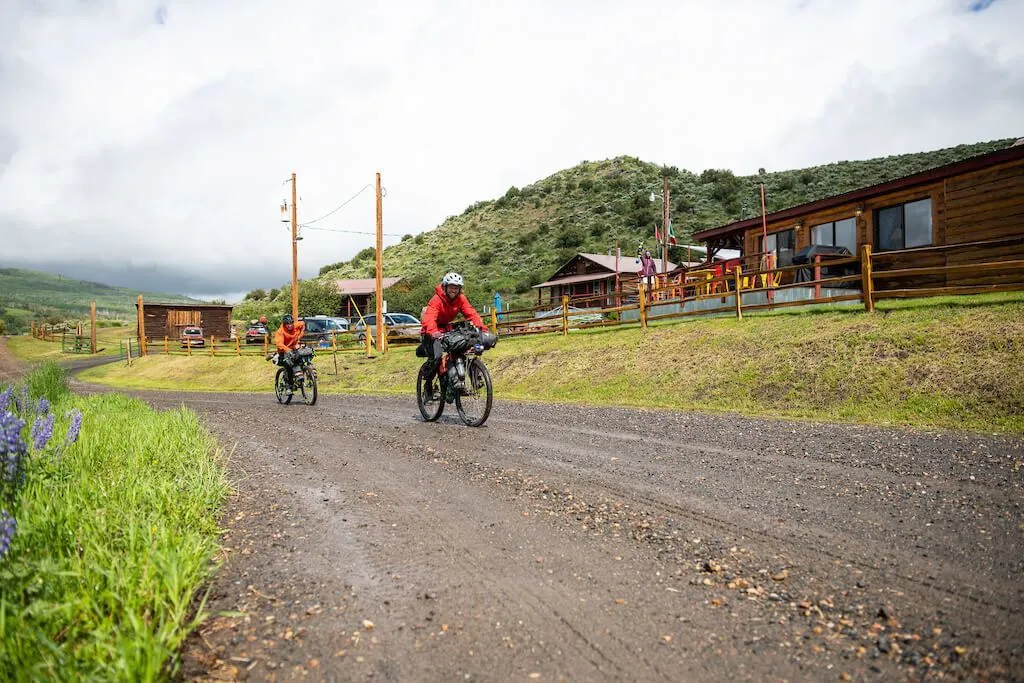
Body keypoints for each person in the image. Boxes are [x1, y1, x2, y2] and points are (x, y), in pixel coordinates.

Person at [418, 272, 488, 398]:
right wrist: (433, 332)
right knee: (437, 356)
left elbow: (471, 314)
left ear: (459, 289)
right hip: (430, 331)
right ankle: (428, 385)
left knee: (461, 347)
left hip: (445, 329)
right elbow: (429, 317)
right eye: (451, 287)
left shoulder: (461, 299)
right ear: (445, 287)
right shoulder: (437, 299)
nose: (453, 290)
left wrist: (483, 329)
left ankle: (456, 381)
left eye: (456, 288)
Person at [273, 313, 306, 395]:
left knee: (301, 357)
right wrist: (287, 350)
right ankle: (288, 387)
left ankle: (301, 374)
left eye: (291, 323)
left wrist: (300, 336)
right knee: (288, 365)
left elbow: (303, 324)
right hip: (283, 351)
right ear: (284, 324)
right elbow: (279, 344)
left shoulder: (296, 325)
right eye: (287, 324)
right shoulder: (280, 331)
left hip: (293, 348)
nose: (290, 325)